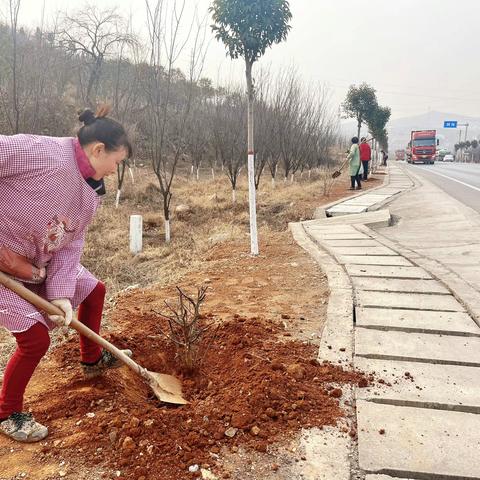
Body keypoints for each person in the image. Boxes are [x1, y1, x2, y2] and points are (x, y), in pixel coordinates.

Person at [0, 106, 133, 443]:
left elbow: (71, 245)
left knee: (94, 290)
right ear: (98, 149)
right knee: (35, 340)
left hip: (38, 264)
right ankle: (6, 412)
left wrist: (60, 292)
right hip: (3, 265)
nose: (116, 170)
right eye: (116, 162)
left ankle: (91, 359)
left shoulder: (90, 194)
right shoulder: (41, 152)